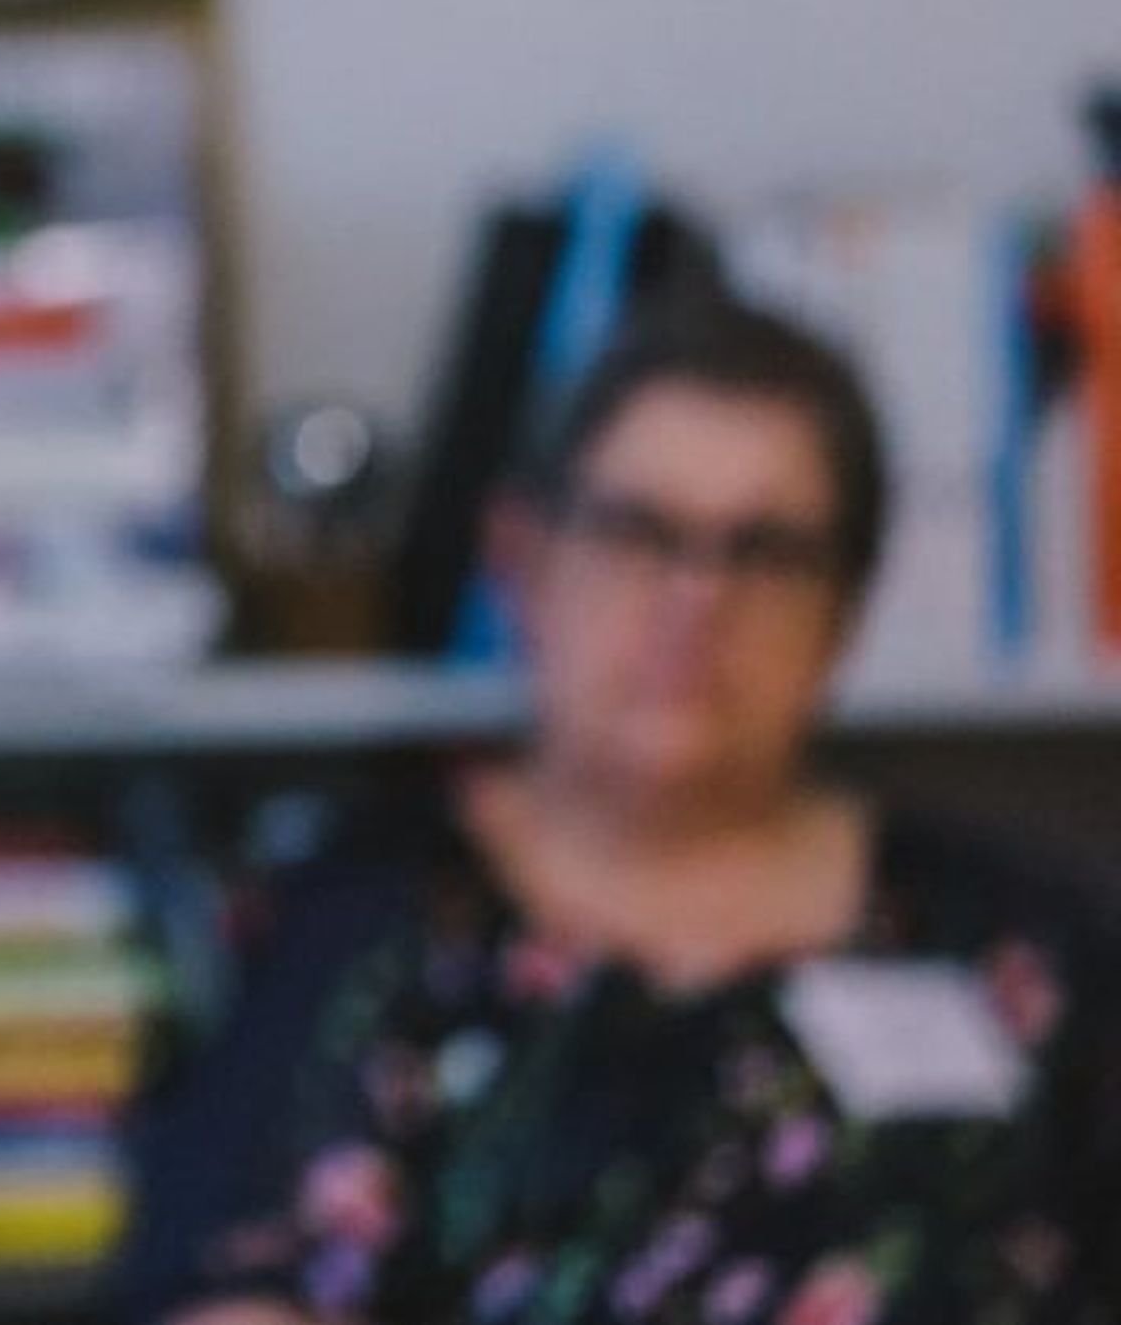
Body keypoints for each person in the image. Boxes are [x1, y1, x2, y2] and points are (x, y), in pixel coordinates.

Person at [114, 300, 1121, 1325]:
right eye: (640, 530)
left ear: (846, 610)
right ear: (523, 557)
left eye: (765, 551)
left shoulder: (1029, 941)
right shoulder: (344, 917)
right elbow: (220, 1283)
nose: (698, 598)